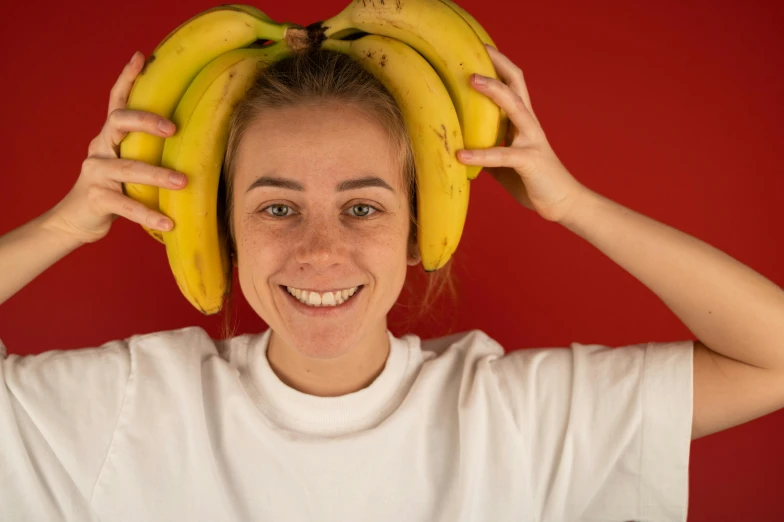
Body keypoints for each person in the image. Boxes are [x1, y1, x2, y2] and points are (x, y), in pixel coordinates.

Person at [1, 44, 783, 522]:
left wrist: (573, 205)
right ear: (224, 231)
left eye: (363, 207)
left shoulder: (518, 418)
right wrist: (63, 226)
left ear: (418, 232)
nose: (320, 249)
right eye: (276, 206)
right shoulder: (130, 404)